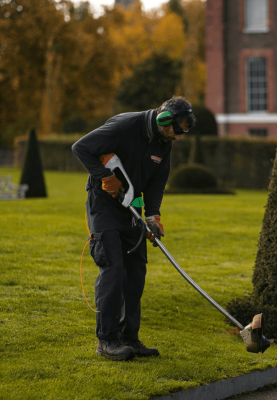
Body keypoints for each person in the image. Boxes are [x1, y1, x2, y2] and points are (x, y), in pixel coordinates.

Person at [71, 97, 196, 361]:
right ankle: (107, 341)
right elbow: (81, 147)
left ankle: (129, 338)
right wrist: (105, 177)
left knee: (136, 272)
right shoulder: (125, 126)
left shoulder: (165, 143)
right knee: (113, 269)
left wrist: (152, 216)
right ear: (163, 119)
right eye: (178, 129)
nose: (179, 136)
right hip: (104, 206)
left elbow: (156, 184)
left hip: (131, 207)